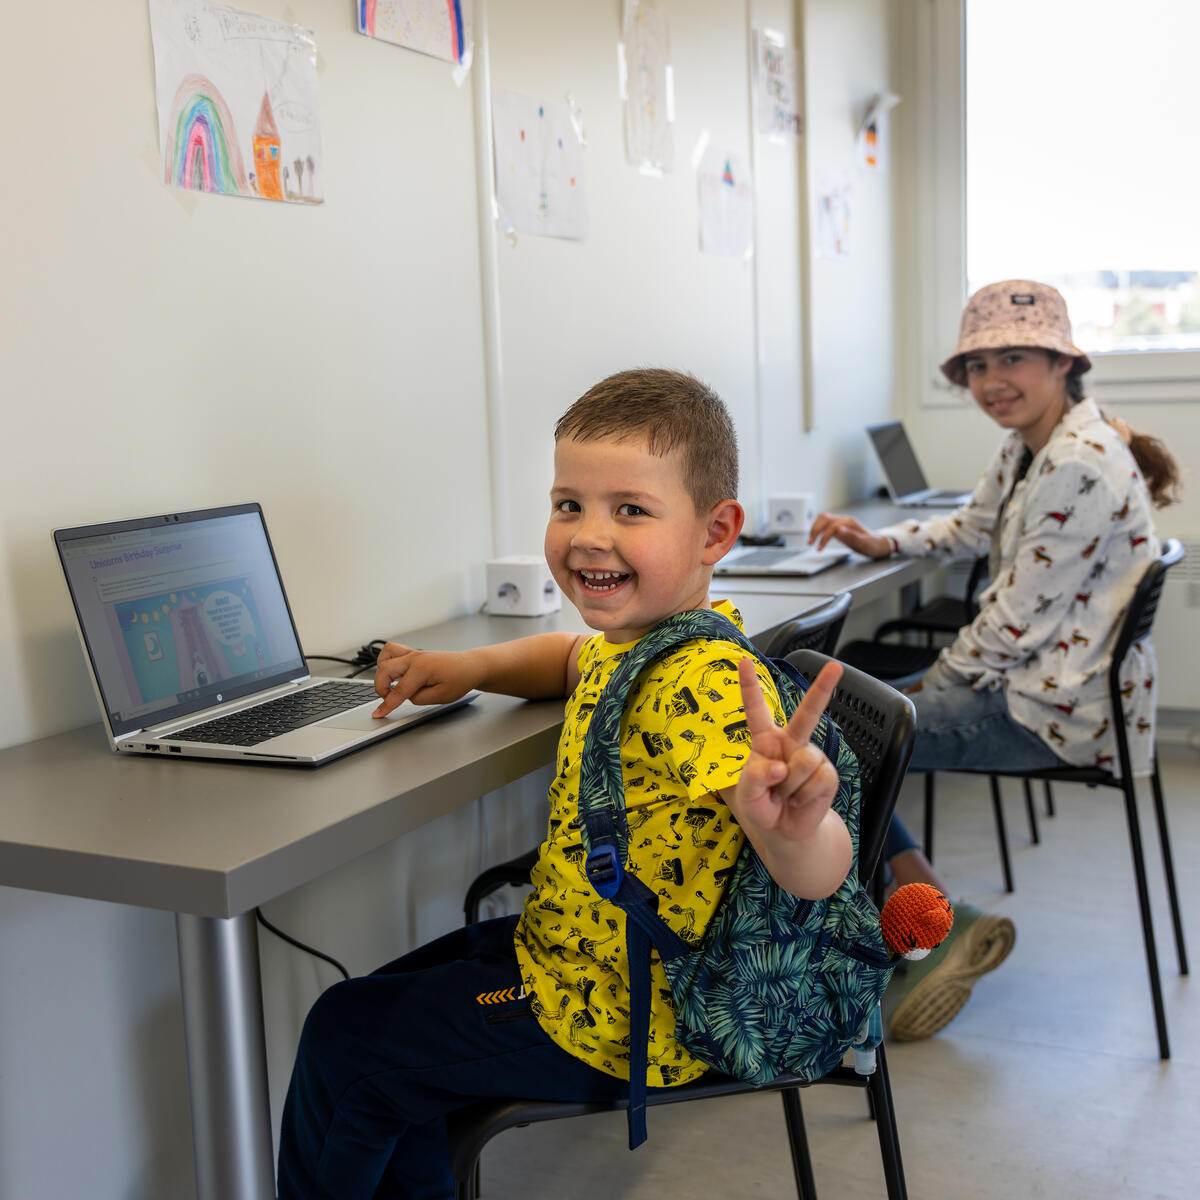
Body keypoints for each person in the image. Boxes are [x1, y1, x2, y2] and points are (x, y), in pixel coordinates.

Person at [276, 369, 854, 1199]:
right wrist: (466, 665)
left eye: (631, 510)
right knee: (373, 1013)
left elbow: (817, 871)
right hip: (579, 952)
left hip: (630, 1012)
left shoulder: (701, 684)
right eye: (568, 504)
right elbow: (566, 657)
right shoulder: (644, 636)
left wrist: (798, 828)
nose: (587, 535)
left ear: (715, 531)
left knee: (351, 1045)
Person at [809, 279, 1182, 1042]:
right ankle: (931, 918)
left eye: (1012, 359)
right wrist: (882, 542)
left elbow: (1008, 630)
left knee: (838, 738)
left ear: (1060, 364)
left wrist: (913, 695)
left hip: (1050, 712)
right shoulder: (1033, 447)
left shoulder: (1078, 464)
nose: (990, 382)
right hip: (1046, 688)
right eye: (977, 367)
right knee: (844, 721)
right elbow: (972, 526)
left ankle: (920, 931)